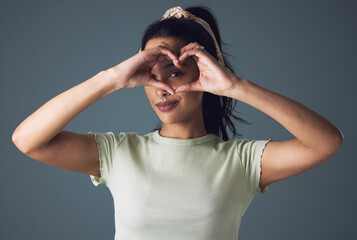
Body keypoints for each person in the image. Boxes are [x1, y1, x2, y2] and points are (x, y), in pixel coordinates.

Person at [12, 5, 343, 240]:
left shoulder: (240, 161)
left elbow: (326, 141)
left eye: (173, 71)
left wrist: (234, 86)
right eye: (150, 77)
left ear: (204, 71)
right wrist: (111, 78)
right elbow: (27, 140)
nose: (162, 89)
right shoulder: (118, 153)